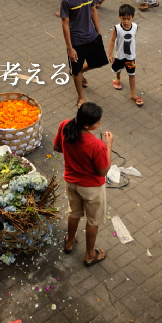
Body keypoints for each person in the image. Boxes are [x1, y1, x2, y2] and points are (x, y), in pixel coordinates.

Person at [54, 102, 113, 266]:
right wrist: (109, 145)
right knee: (93, 221)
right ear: (88, 125)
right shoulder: (97, 145)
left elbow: (57, 147)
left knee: (74, 212)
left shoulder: (65, 126)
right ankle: (89, 255)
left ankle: (70, 241)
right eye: (98, 121)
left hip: (71, 182)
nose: (100, 123)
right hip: (92, 188)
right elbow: (103, 171)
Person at [60, 0, 108, 105]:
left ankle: (79, 73)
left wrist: (99, 31)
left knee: (99, 62)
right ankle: (81, 96)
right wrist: (70, 48)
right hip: (76, 40)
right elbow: (65, 23)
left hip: (92, 35)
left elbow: (93, 10)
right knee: (76, 70)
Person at [107, 4, 142, 106]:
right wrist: (110, 54)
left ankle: (133, 93)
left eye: (128, 18)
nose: (126, 21)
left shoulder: (135, 27)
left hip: (130, 57)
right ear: (119, 17)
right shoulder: (117, 28)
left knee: (132, 74)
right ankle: (117, 79)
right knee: (117, 69)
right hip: (119, 55)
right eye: (123, 19)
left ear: (132, 17)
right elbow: (112, 40)